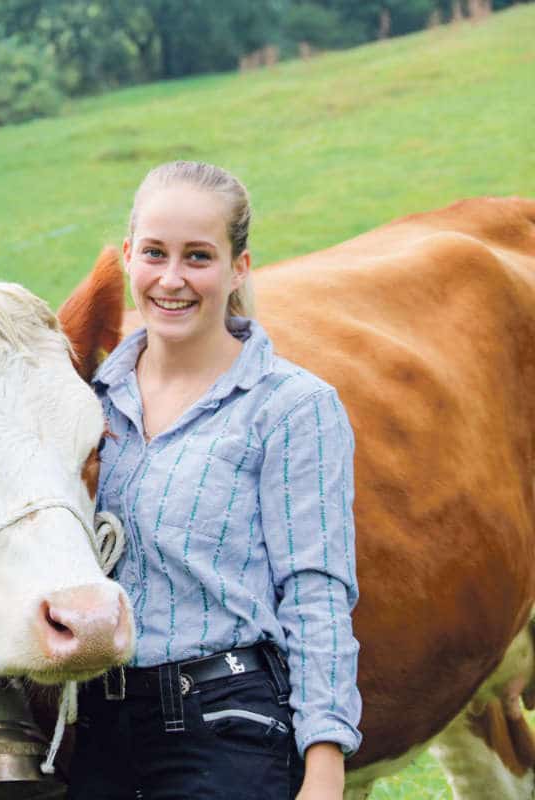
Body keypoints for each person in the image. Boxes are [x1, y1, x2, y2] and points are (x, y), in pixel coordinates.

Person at [69, 161, 361, 799]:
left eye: (198, 257)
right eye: (155, 253)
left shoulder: (291, 406)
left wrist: (324, 764)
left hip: (228, 722)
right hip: (96, 732)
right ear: (127, 258)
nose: (172, 280)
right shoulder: (86, 403)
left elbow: (317, 595)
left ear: (239, 269)